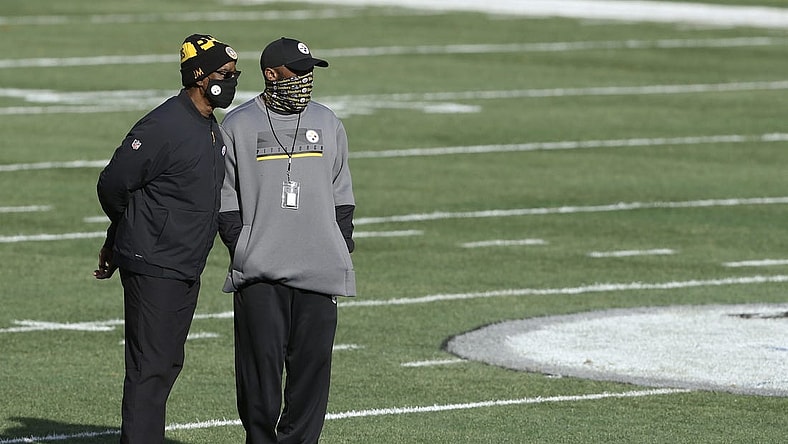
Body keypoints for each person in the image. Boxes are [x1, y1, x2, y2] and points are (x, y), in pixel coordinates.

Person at [93, 33, 239, 444]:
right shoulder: (162, 125)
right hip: (155, 261)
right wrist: (126, 233)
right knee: (150, 367)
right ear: (198, 75)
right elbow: (113, 183)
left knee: (166, 363)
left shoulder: (210, 125)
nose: (230, 82)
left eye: (234, 74)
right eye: (224, 74)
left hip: (183, 262)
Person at [217, 37, 356, 444]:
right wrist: (244, 248)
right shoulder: (238, 125)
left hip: (319, 272)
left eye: (310, 71)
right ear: (271, 75)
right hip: (261, 274)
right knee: (259, 384)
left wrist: (336, 245)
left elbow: (342, 194)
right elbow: (226, 201)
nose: (306, 79)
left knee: (311, 381)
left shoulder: (328, 122)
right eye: (298, 72)